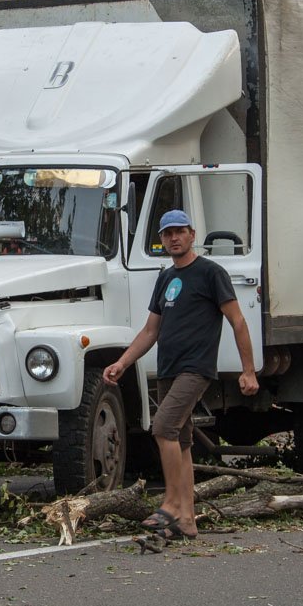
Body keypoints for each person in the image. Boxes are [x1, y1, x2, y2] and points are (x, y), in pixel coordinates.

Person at [102, 209, 259, 542]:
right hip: (168, 369)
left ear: (192, 234)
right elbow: (150, 330)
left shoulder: (210, 273)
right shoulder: (166, 277)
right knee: (182, 441)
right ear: (161, 240)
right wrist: (123, 363)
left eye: (179, 232)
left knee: (162, 427)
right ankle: (187, 520)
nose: (174, 238)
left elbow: (238, 321)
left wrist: (248, 370)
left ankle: (172, 503)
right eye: (167, 233)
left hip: (195, 369)